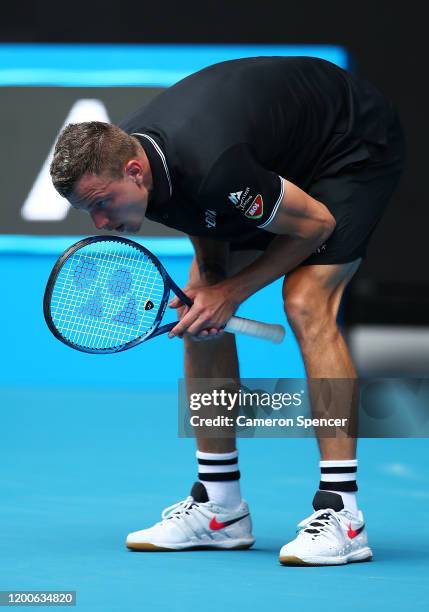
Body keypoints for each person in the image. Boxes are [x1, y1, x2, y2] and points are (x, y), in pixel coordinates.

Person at [50, 56, 405, 565]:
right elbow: (200, 216)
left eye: (104, 204)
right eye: (90, 212)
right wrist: (213, 290)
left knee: (305, 302)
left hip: (350, 144)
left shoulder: (213, 166)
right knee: (199, 310)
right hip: (267, 152)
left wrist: (233, 292)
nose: (102, 221)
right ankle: (221, 510)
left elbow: (317, 226)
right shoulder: (140, 169)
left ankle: (344, 515)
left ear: (134, 171)